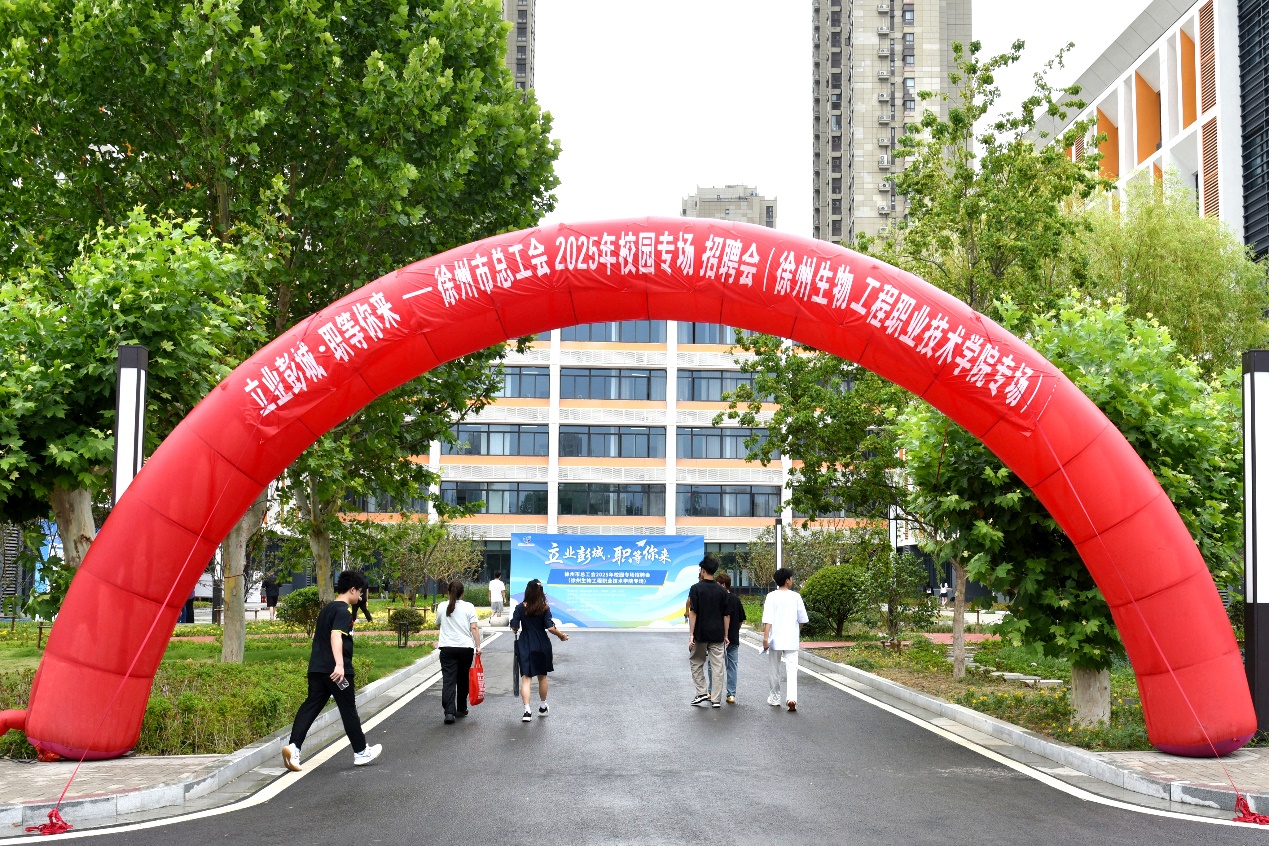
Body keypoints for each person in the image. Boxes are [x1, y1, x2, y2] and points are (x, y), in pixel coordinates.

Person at [281, 570, 382, 771]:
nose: (360, 597)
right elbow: (336, 636)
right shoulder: (343, 611)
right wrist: (340, 665)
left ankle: (294, 747)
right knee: (348, 710)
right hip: (336, 672)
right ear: (352, 590)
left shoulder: (327, 609)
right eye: (359, 592)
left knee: (310, 706)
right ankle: (361, 751)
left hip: (317, 668)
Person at [510, 579, 569, 722]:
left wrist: (516, 627)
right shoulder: (544, 608)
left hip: (525, 643)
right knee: (542, 677)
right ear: (540, 592)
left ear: (527, 591)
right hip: (542, 643)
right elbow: (550, 627)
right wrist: (561, 636)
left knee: (526, 678)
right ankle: (542, 706)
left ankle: (527, 711)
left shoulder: (519, 607)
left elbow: (514, 626)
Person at [762, 567, 808, 713]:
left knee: (774, 670)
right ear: (787, 580)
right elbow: (802, 619)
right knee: (792, 669)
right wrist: (796, 629)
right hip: (791, 639)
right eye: (791, 578)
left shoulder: (771, 596)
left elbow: (768, 619)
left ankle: (775, 698)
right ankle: (792, 698)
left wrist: (765, 638)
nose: (792, 580)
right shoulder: (796, 597)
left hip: (775, 639)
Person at [436, 579, 481, 724]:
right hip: (465, 648)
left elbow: (439, 624)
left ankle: (449, 712)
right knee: (463, 678)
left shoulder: (441, 606)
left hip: (447, 648)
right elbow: (474, 627)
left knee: (449, 679)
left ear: (448, 592)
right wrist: (478, 646)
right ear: (462, 593)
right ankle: (461, 708)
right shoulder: (469, 607)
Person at [687, 555, 730, 708]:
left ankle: (701, 692)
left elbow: (693, 612)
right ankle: (716, 700)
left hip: (701, 633)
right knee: (718, 667)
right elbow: (726, 615)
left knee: (696, 662)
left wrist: (691, 634)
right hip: (717, 634)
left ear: (703, 570)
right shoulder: (722, 591)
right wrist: (726, 635)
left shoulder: (696, 588)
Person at [706, 571, 745, 704]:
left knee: (713, 665)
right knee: (732, 666)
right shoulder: (736, 600)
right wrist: (735, 631)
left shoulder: (716, 599)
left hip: (716, 638)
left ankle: (711, 691)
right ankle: (731, 694)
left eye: (717, 584)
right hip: (733, 637)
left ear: (723, 585)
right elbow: (741, 619)